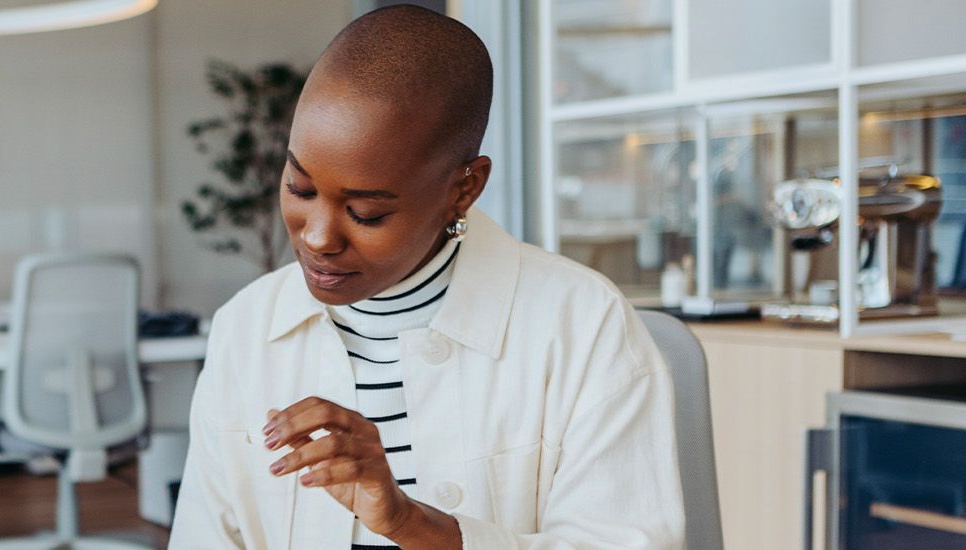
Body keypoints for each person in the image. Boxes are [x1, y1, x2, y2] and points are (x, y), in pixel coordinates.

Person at [170, 6, 684, 549]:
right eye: (300, 188)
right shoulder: (244, 330)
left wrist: (409, 524)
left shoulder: (584, 325)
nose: (318, 236)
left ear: (464, 189)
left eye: (366, 213)